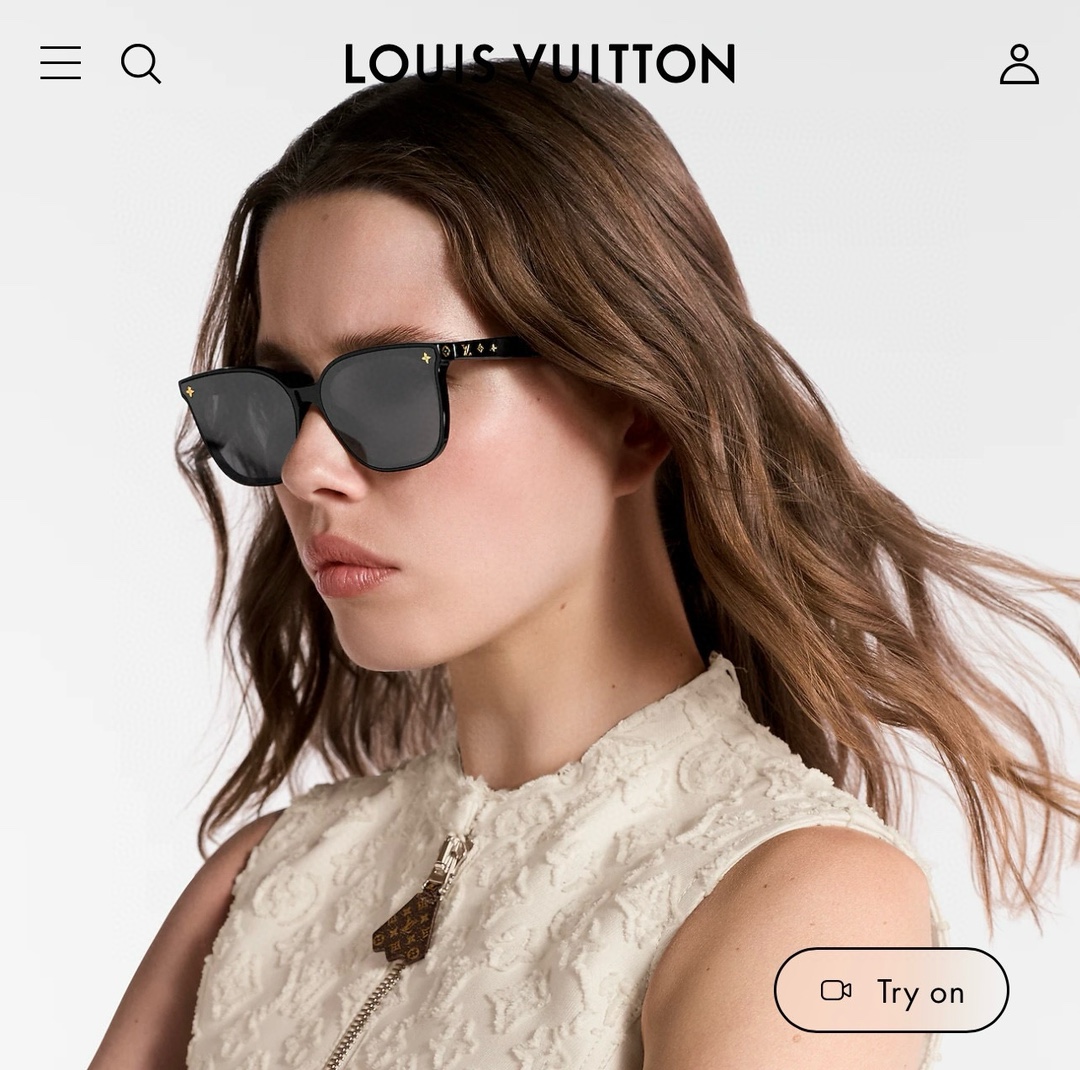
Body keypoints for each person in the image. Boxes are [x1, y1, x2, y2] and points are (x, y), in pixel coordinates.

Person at [88, 61, 1080, 1070]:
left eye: (389, 387)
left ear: (636, 413)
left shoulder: (812, 898)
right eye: (277, 399)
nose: (305, 469)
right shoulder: (262, 881)